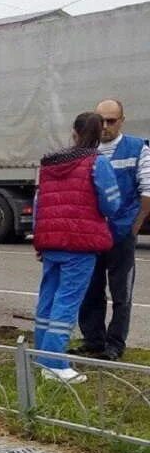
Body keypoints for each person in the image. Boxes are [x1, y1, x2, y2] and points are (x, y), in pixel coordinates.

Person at [33, 112, 121, 383]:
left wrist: (40, 238)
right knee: (67, 301)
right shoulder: (97, 163)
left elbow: (39, 205)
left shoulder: (49, 164)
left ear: (74, 131)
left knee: (48, 298)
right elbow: (111, 204)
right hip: (80, 244)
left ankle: (40, 355)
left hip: (51, 242)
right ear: (98, 134)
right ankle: (55, 364)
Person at [74, 99, 150, 360]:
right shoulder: (86, 150)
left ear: (122, 120)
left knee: (121, 293)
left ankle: (115, 344)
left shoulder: (137, 148)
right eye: (101, 120)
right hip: (90, 236)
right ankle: (93, 340)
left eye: (111, 120)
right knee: (90, 289)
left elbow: (147, 189)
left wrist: (135, 224)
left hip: (120, 235)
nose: (105, 126)